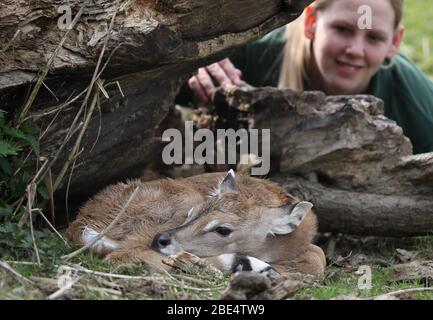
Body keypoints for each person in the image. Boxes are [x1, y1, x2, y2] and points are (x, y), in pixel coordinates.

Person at [185, 0, 433, 154]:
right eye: (342, 29)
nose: (356, 50)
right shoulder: (255, 52)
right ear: (311, 21)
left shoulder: (416, 100)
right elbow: (157, 80)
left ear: (395, 42)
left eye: (374, 37)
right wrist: (193, 66)